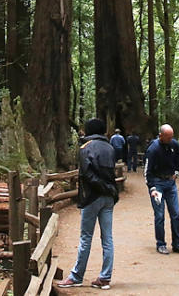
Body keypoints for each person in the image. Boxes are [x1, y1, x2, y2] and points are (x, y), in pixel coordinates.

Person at [57, 118, 118, 290]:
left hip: (93, 197)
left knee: (86, 237)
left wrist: (100, 189)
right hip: (108, 197)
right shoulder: (110, 148)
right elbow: (111, 173)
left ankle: (76, 276)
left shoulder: (85, 148)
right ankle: (105, 278)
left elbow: (87, 175)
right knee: (108, 238)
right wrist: (111, 190)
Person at [144, 124, 179, 254]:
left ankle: (177, 243)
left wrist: (177, 172)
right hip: (157, 184)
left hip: (170, 183)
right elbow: (147, 171)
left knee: (176, 214)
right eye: (168, 137)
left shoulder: (175, 145)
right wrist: (152, 188)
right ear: (161, 136)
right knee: (160, 215)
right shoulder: (153, 149)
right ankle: (161, 244)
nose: (170, 140)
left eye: (171, 137)